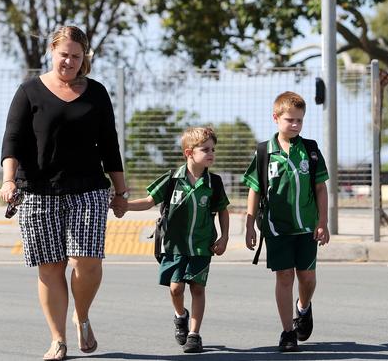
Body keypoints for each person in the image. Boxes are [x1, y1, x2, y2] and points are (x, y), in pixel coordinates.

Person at [0, 25, 128, 361]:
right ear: (51, 52)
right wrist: (9, 180)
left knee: (88, 263)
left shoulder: (97, 93)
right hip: (38, 191)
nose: (69, 61)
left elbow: (109, 145)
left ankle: (81, 315)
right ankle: (58, 339)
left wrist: (121, 190)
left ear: (84, 57)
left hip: (88, 189)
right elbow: (12, 139)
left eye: (76, 56)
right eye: (63, 54)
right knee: (50, 266)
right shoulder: (29, 91)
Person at [118, 127, 230, 353]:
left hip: (201, 246)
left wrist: (224, 236)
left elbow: (222, 210)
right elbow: (149, 201)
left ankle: (194, 334)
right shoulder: (171, 179)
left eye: (213, 149)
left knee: (198, 289)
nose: (211, 153)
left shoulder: (214, 183)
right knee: (176, 289)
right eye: (205, 149)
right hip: (174, 245)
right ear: (189, 153)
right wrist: (126, 206)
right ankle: (181, 315)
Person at [242, 91, 329, 352]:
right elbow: (255, 189)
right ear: (276, 118)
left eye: (299, 120)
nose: (295, 125)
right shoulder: (264, 152)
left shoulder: (310, 150)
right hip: (276, 228)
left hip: (306, 228)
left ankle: (303, 307)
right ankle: (287, 332)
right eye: (290, 120)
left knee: (307, 277)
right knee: (284, 277)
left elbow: (321, 189)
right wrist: (248, 226)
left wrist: (323, 221)